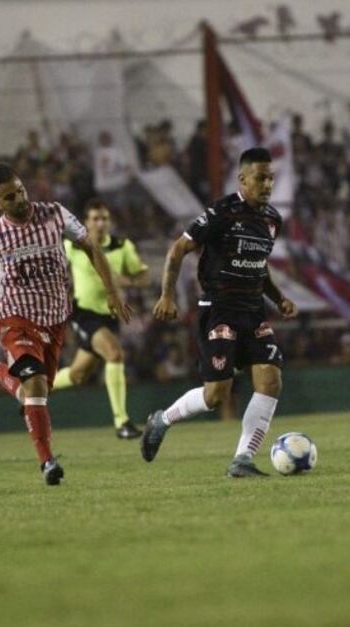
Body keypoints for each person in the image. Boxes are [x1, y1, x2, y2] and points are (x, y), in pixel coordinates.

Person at [0, 163, 131, 486]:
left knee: (32, 395)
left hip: (56, 320)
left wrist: (112, 292)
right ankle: (48, 463)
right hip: (16, 319)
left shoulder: (55, 214)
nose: (21, 199)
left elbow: (90, 247)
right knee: (35, 387)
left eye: (21, 190)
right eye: (11, 196)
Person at [141, 147, 298, 477]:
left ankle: (242, 460)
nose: (267, 184)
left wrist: (279, 297)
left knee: (270, 381)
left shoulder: (272, 220)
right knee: (216, 395)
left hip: (253, 311)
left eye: (270, 178)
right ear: (242, 179)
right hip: (219, 311)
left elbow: (259, 266)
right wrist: (167, 295)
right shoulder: (222, 212)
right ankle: (162, 419)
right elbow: (178, 248)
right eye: (260, 178)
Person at [54, 199, 149, 439]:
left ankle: (31, 390)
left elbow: (144, 277)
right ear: (86, 222)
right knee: (114, 353)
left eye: (104, 218)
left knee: (77, 375)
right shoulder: (73, 246)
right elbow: (52, 269)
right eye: (95, 218)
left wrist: (128, 281)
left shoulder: (121, 246)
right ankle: (122, 422)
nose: (100, 223)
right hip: (84, 313)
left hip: (111, 315)